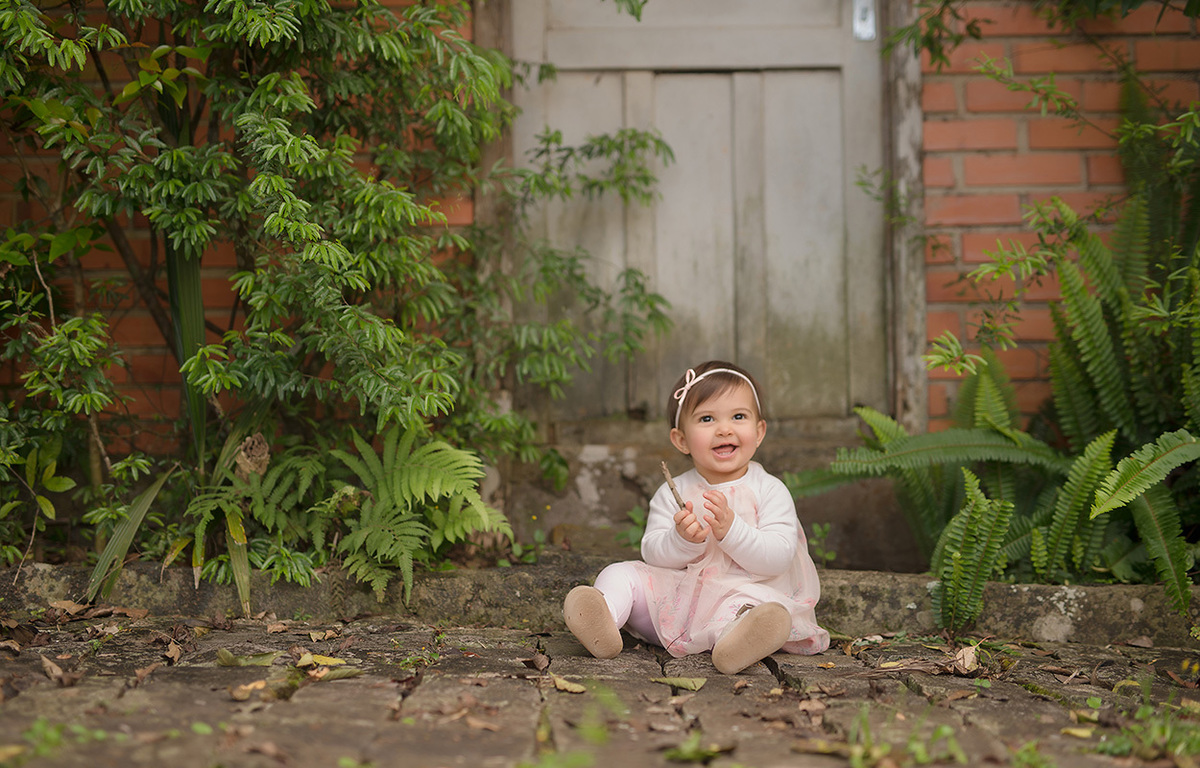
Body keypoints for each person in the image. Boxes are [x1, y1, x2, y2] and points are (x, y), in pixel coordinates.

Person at [563, 360, 830, 674]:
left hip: (744, 591)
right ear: (681, 440)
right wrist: (681, 541)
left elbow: (778, 558)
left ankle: (734, 642)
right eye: (707, 418)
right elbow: (652, 552)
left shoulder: (769, 490)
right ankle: (603, 617)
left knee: (751, 610)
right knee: (622, 573)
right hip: (679, 597)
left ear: (759, 432)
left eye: (739, 416)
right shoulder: (673, 492)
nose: (724, 428)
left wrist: (733, 532)